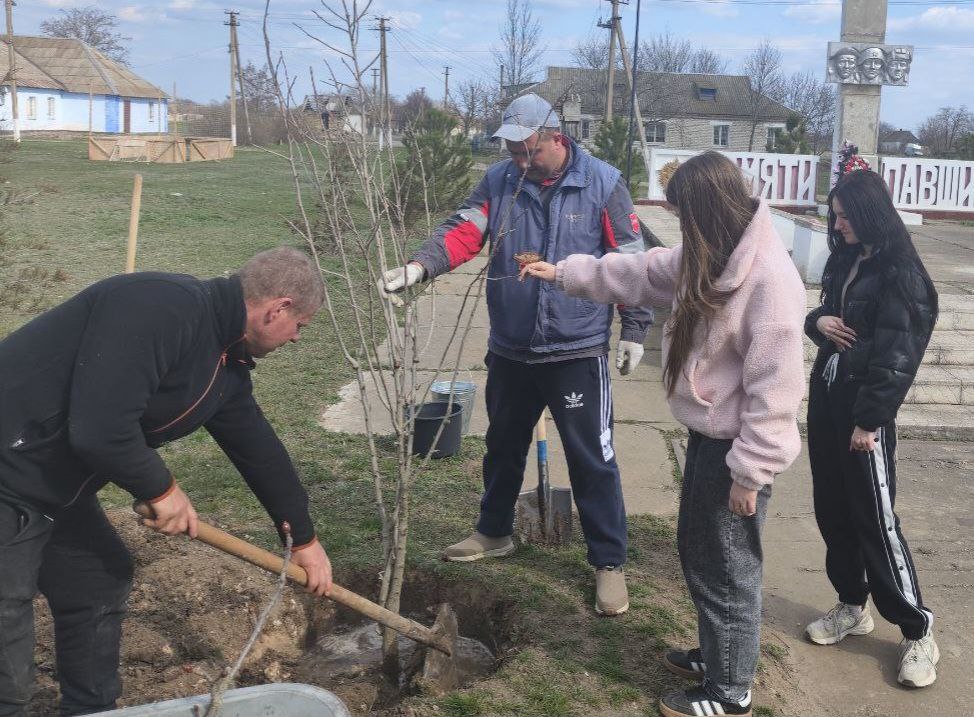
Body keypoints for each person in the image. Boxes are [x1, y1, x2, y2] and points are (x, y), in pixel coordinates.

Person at [521, 151, 807, 717]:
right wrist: (564, 273)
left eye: (684, 216)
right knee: (701, 554)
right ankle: (718, 655)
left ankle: (731, 693)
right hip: (710, 438)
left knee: (728, 568)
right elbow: (641, 272)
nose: (681, 228)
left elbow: (777, 392)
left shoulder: (771, 281)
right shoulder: (712, 253)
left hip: (737, 451)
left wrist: (751, 474)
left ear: (707, 211)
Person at [0, 246, 333, 716]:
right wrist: (161, 489)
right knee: (5, 633)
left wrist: (303, 537)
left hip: (51, 487)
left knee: (96, 580)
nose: (297, 338)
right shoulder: (161, 306)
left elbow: (259, 451)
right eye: (301, 325)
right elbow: (100, 428)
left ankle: (93, 710)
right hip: (7, 474)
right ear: (277, 308)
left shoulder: (223, 365)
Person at [379, 93, 653, 616]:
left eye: (529, 152)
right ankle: (493, 531)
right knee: (502, 445)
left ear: (556, 137)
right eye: (513, 153)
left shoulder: (602, 183)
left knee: (593, 458)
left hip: (576, 348)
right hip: (511, 347)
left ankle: (608, 563)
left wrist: (634, 329)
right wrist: (420, 267)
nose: (521, 163)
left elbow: (631, 263)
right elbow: (464, 230)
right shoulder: (500, 180)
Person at [804, 167, 940, 687]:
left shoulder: (901, 271)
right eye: (834, 216)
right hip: (828, 401)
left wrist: (870, 421)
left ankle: (916, 630)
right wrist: (816, 322)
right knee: (833, 510)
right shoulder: (845, 259)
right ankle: (851, 605)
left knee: (875, 520)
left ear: (868, 213)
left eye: (844, 216)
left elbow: (898, 356)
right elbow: (827, 317)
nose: (837, 225)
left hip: (866, 416)